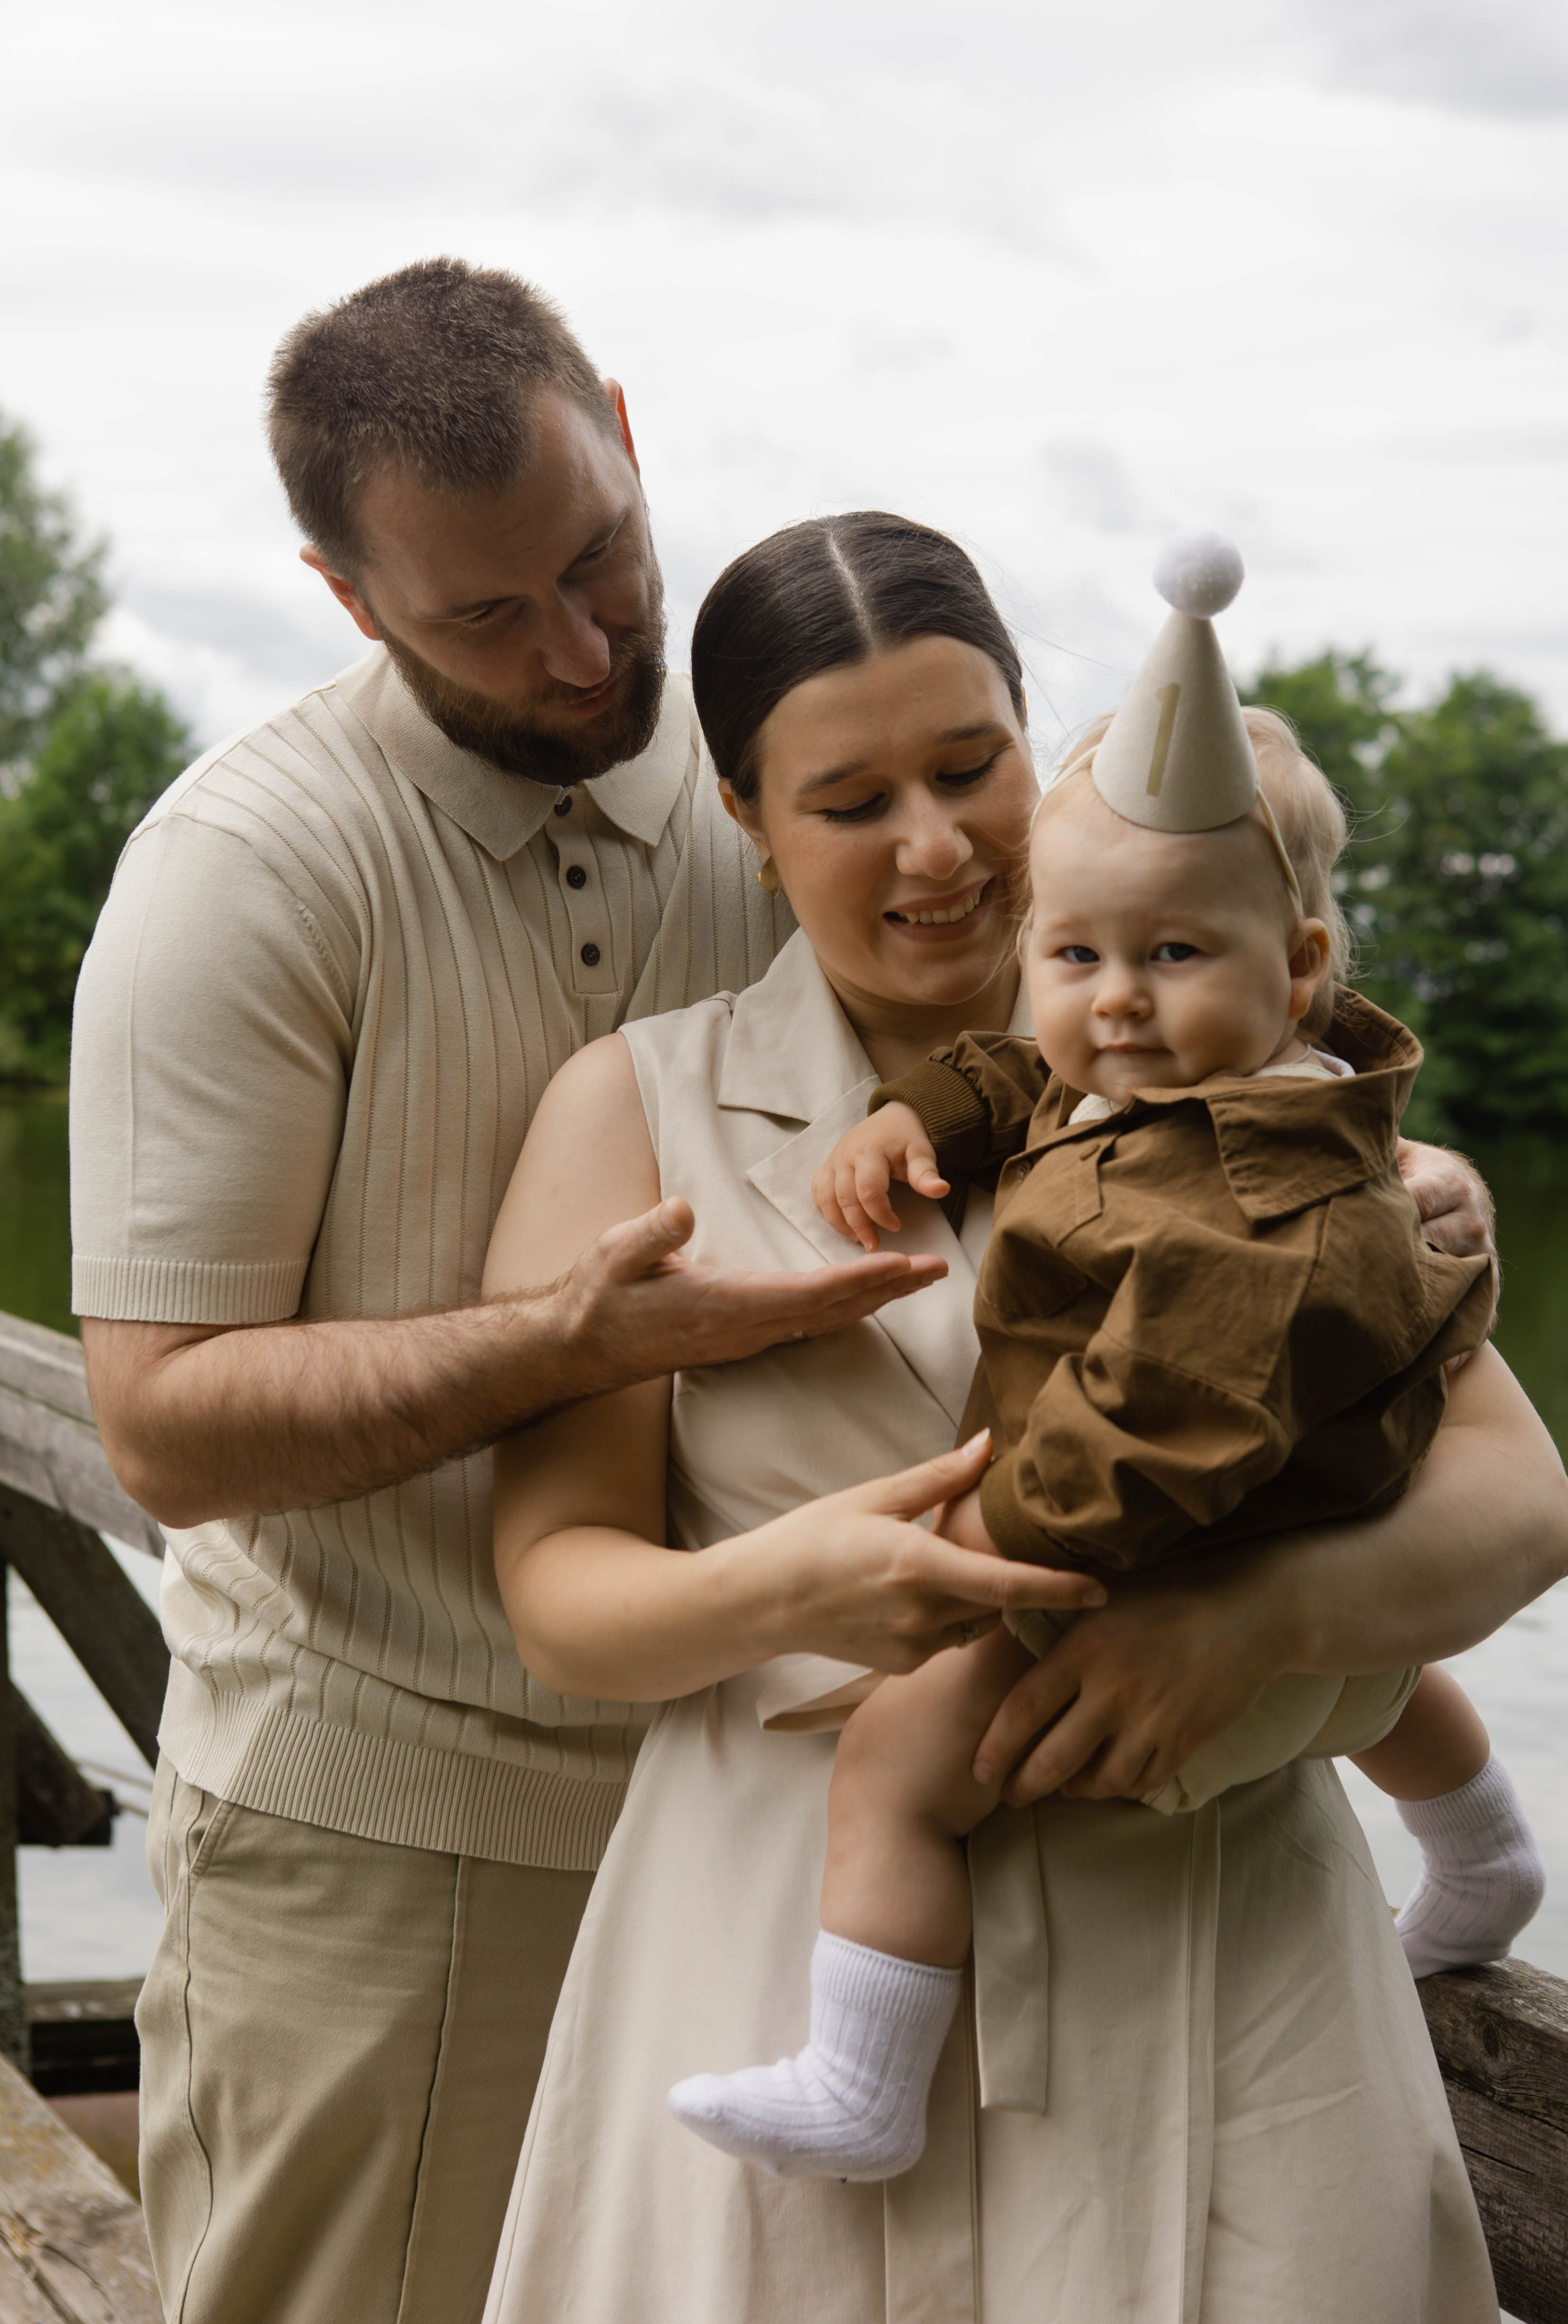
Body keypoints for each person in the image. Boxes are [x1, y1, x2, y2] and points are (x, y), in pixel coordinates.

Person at [480, 511, 1568, 2324]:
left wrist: (1253, 1623)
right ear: (748, 824)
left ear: (1032, 737)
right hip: (783, 1942)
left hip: (1221, 1966)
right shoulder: (632, 1112)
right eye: (848, 801)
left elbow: (1525, 1512)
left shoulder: (1263, 1091)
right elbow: (557, 1599)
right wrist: (795, 1587)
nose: (934, 846)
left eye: (971, 764)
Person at [69, 262, 1016, 2324]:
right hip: (387, 1838)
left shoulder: (790, 784)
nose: (585, 649)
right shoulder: (245, 871)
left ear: (624, 421)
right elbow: (156, 1420)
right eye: (486, 617)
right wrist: (559, 1352)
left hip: (771, 1829)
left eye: (601, 560)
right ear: (347, 599)